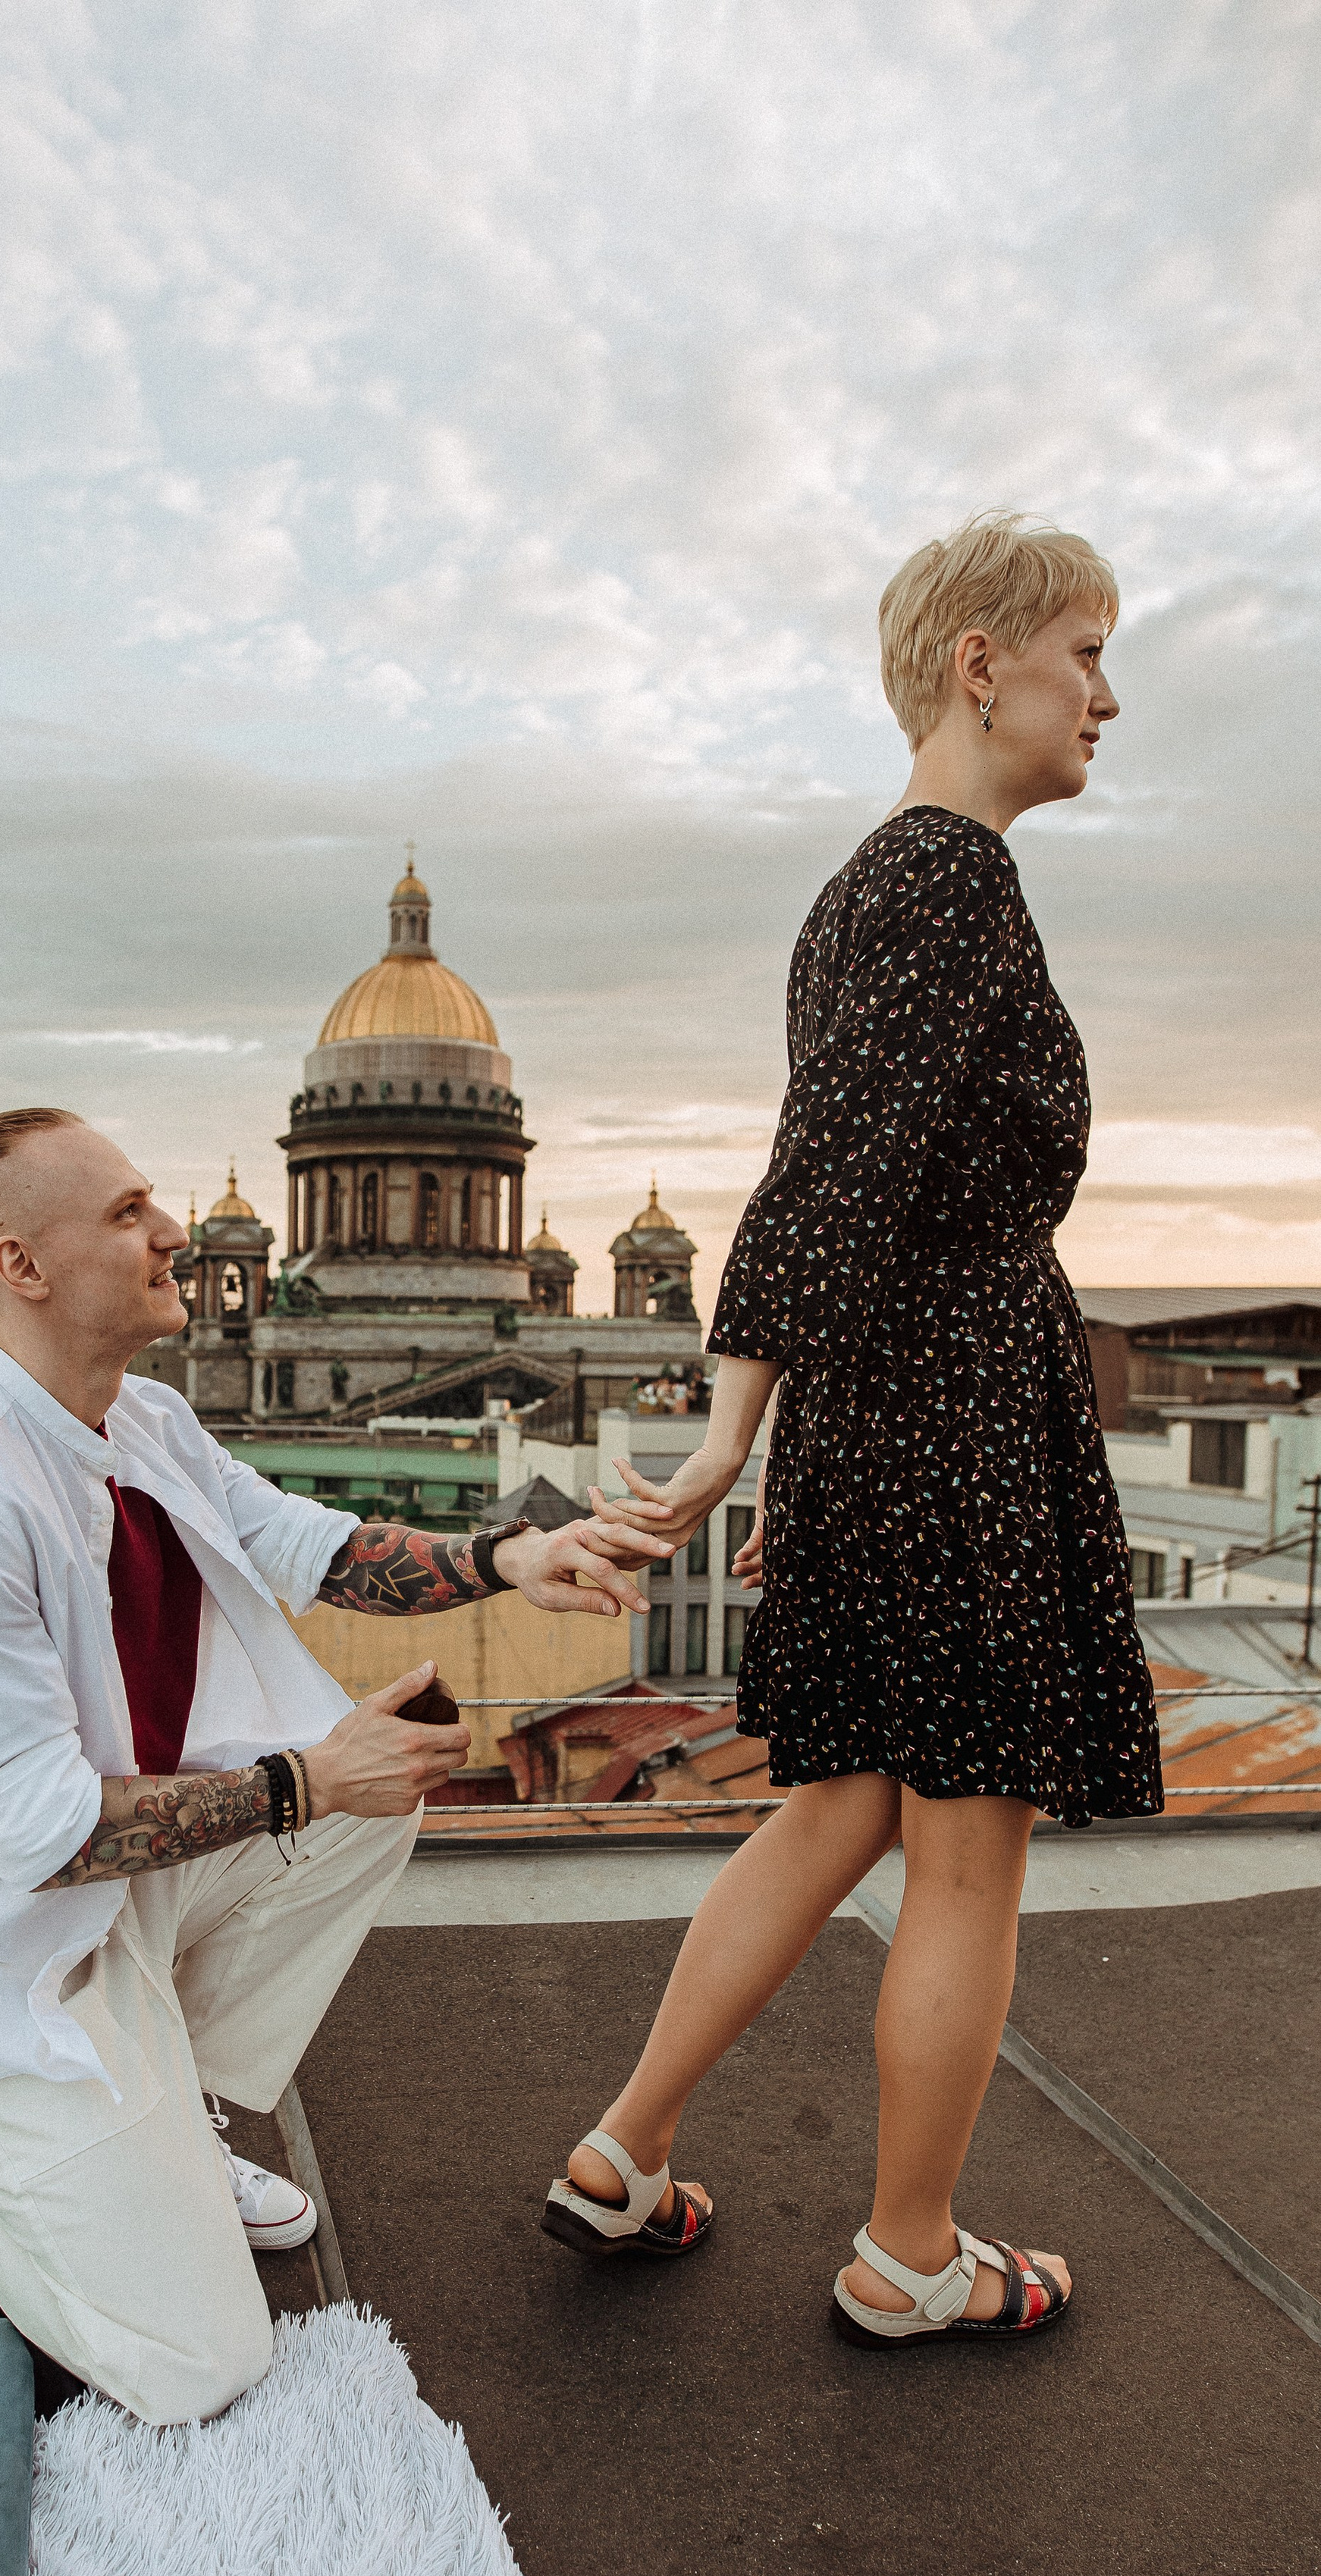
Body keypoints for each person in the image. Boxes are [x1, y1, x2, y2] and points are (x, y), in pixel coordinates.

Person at [0, 1105, 665, 2423]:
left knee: (367, 1806)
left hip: (112, 1901)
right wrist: (303, 1779)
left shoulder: (146, 1421)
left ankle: (170, 2115)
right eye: (128, 1213)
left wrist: (508, 1556)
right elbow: (47, 1833)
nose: (174, 1230)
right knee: (200, 2365)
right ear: (23, 1266)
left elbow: (313, 1546)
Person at [543, 512, 1162, 2348]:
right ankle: (908, 2253)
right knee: (965, 1847)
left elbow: (826, 1182)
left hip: (892, 1410)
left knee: (830, 1812)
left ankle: (623, 2152)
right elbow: (821, 1187)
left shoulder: (865, 888)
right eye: (1083, 657)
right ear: (981, 663)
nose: (1104, 698)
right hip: (956, 1408)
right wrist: (738, 1439)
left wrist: (792, 1442)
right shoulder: (945, 885)